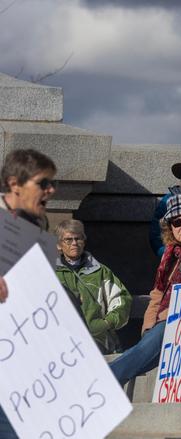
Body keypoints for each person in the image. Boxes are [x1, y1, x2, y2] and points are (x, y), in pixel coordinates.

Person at [110, 193, 181, 384]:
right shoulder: (169, 257)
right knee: (142, 353)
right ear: (171, 229)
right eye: (176, 222)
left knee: (141, 352)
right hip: (163, 325)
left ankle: (106, 378)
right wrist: (148, 329)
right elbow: (157, 296)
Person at [0, 148, 57, 438]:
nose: (51, 190)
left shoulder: (38, 225)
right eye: (43, 183)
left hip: (21, 360)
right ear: (14, 184)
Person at [55, 219, 132, 354]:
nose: (74, 243)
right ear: (59, 245)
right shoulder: (50, 272)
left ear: (84, 242)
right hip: (60, 341)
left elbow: (122, 300)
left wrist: (106, 323)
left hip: (97, 341)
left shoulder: (100, 271)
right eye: (68, 240)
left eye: (78, 238)